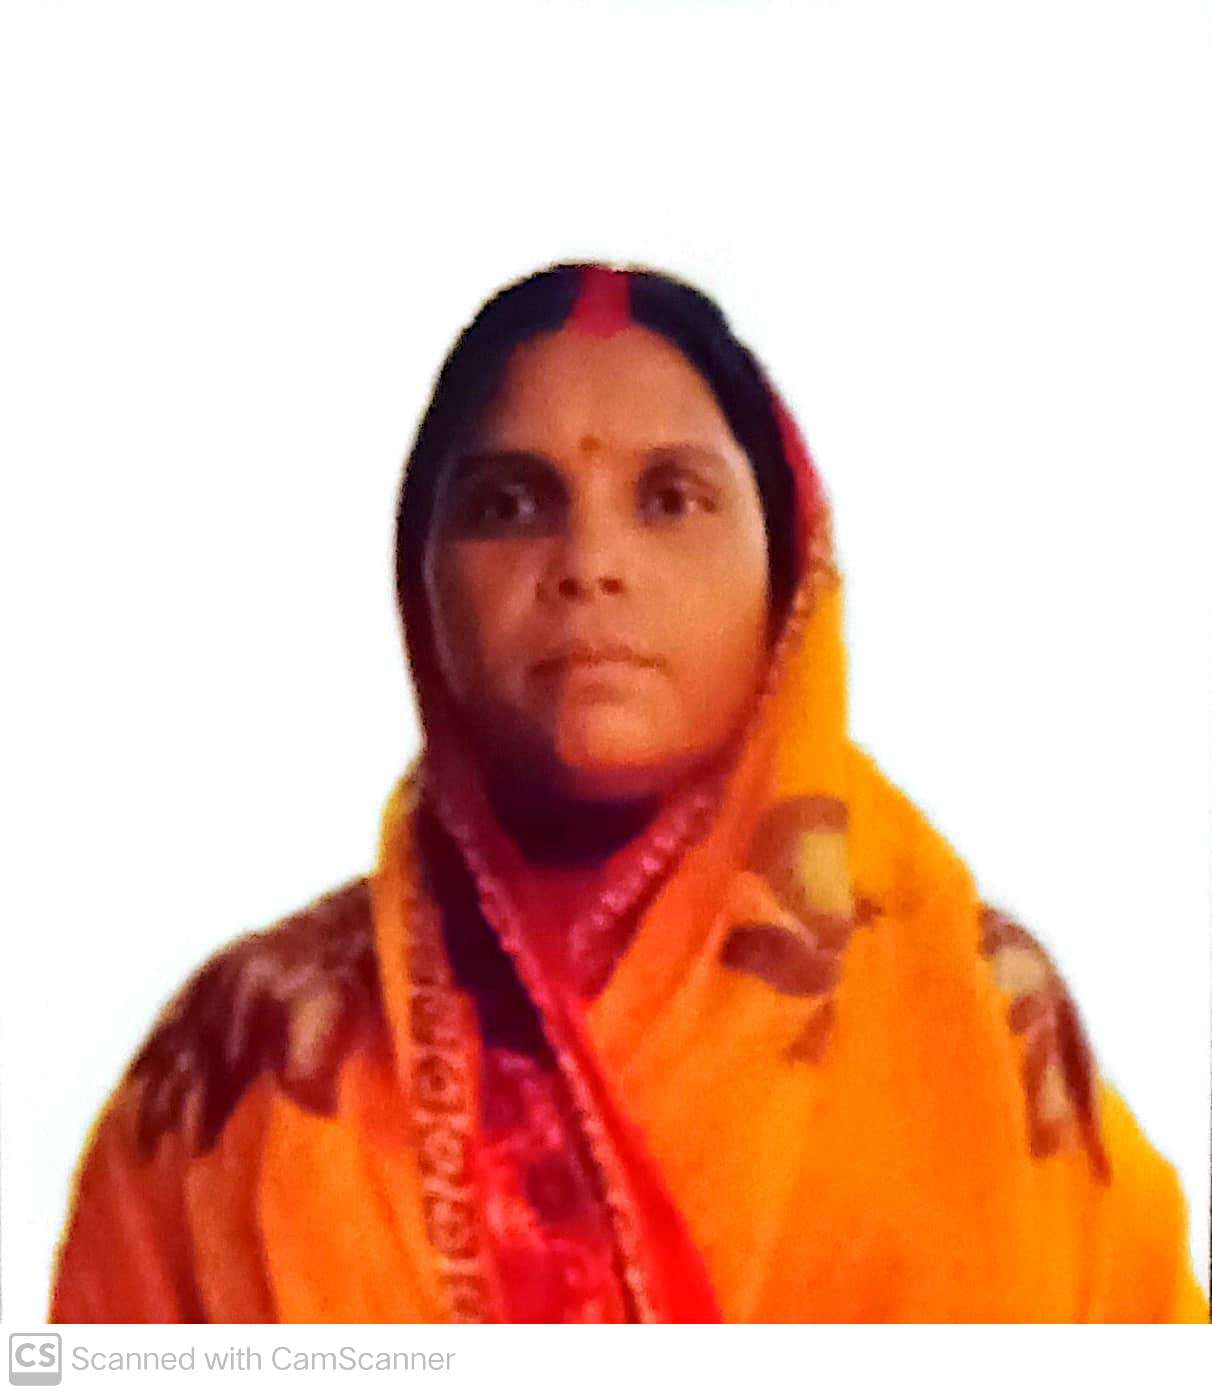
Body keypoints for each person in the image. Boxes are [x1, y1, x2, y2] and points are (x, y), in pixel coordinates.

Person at [49, 262, 1207, 1323]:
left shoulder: (973, 1011)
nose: (589, 561)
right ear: (420, 575)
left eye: (670, 498)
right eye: (510, 503)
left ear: (787, 568)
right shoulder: (245, 1052)